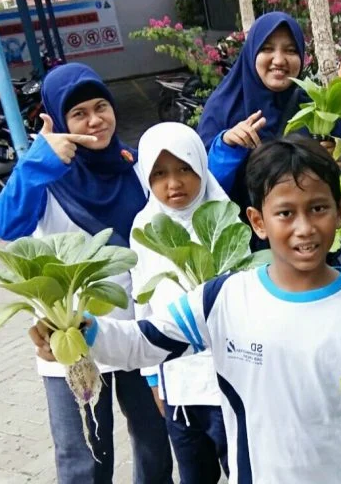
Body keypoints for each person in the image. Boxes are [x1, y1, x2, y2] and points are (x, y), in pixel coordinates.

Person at [32, 136, 341, 483]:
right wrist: (82, 331)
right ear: (257, 222)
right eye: (285, 213)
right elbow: (142, 342)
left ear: (339, 210)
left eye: (318, 208)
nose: (304, 228)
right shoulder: (223, 298)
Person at [0, 63, 173, 483]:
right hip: (69, 342)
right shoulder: (45, 176)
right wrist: (38, 163)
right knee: (83, 460)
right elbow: (5, 224)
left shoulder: (134, 166)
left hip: (135, 335)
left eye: (101, 107)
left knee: (154, 443)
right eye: (79, 113)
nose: (94, 121)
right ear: (56, 119)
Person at [131, 122, 230, 483]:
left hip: (229, 381)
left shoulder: (225, 215)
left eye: (184, 168)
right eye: (159, 173)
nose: (173, 184)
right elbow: (144, 306)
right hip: (179, 385)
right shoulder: (144, 228)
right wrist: (153, 379)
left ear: (201, 165)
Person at [199, 12, 341, 218]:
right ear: (251, 53)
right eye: (267, 49)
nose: (279, 60)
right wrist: (227, 146)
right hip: (242, 240)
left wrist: (331, 166)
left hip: (308, 235)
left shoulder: (318, 107)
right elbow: (201, 187)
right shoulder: (223, 107)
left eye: (291, 50)